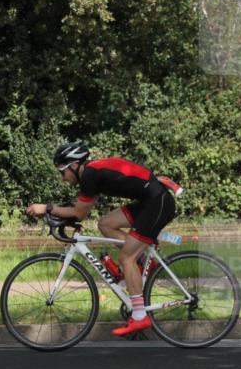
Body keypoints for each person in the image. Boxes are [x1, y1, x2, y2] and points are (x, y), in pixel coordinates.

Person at [25, 140, 177, 336]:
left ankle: (139, 315)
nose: (63, 178)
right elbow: (82, 210)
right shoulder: (91, 173)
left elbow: (78, 213)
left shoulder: (90, 174)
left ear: (73, 165)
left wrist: (47, 208)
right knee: (105, 224)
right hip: (151, 200)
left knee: (126, 258)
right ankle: (143, 258)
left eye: (62, 172)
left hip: (157, 203)